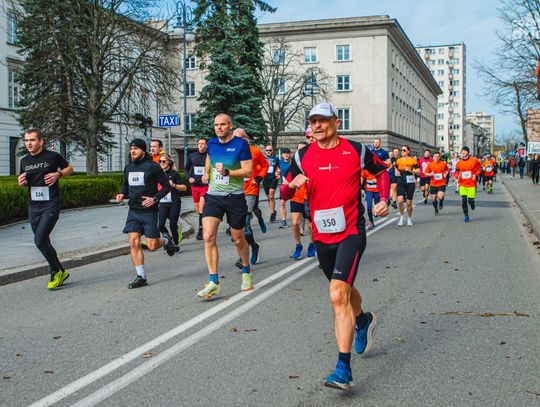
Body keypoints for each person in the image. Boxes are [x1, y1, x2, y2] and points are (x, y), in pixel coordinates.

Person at [280, 102, 389, 390]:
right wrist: (292, 185)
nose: (316, 126)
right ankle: (362, 319)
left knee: (337, 294)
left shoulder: (356, 150)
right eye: (312, 121)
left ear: (336, 122)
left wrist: (383, 199)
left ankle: (343, 368)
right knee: (343, 290)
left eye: (322, 120)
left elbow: (382, 172)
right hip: (322, 236)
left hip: (351, 232)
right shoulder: (303, 155)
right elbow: (283, 191)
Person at [197, 114, 253, 299]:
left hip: (235, 197)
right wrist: (207, 173)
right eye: (216, 125)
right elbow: (209, 159)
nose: (219, 127)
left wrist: (228, 172)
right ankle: (213, 281)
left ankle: (246, 270)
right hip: (214, 196)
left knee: (238, 239)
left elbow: (248, 171)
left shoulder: (240, 144)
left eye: (222, 124)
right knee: (208, 236)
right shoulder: (212, 144)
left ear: (230, 126)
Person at [18, 128, 74, 290]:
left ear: (41, 141)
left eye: (32, 140)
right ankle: (61, 271)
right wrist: (22, 183)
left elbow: (70, 168)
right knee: (44, 241)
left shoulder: (52, 156)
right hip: (33, 206)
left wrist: (58, 174)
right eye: (26, 140)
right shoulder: (24, 161)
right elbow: (24, 181)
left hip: (50, 204)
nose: (29, 143)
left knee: (39, 240)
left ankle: (54, 271)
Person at [116, 139, 176, 289]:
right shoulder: (128, 167)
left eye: (136, 149)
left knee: (152, 245)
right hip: (133, 211)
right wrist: (121, 193)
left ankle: (166, 240)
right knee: (133, 242)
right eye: (131, 149)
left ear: (143, 151)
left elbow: (166, 186)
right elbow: (125, 185)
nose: (132, 151)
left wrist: (155, 199)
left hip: (149, 211)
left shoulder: (153, 167)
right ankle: (141, 276)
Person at [233, 128, 268, 267]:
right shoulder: (231, 151)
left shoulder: (255, 151)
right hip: (235, 191)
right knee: (237, 227)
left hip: (250, 190)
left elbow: (265, 165)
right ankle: (254, 245)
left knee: (246, 222)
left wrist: (259, 178)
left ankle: (242, 258)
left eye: (239, 138)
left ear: (245, 138)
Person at [285, 142, 316, 259]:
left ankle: (312, 244)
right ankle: (298, 245)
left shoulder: (312, 164)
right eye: (299, 150)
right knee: (294, 223)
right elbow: (286, 183)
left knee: (310, 225)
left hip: (309, 197)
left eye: (304, 150)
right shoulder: (293, 167)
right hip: (296, 197)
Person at [158, 153, 187, 252]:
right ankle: (167, 237)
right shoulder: (157, 174)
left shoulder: (174, 174)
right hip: (163, 203)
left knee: (173, 225)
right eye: (160, 161)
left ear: (169, 163)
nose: (161, 163)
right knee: (160, 225)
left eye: (163, 161)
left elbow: (184, 187)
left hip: (174, 203)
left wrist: (174, 185)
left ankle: (175, 245)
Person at [185, 138, 209, 240]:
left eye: (203, 144)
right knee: (198, 211)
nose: (201, 145)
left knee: (202, 207)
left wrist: (208, 177)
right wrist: (189, 177)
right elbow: (186, 169)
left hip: (204, 185)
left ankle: (200, 231)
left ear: (206, 145)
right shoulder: (192, 156)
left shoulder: (209, 156)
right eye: (199, 143)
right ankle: (203, 225)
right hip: (194, 186)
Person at [455, 146, 482, 223]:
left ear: (468, 152)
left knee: (470, 200)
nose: (463, 152)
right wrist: (456, 178)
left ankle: (472, 203)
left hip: (471, 184)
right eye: (462, 151)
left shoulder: (474, 160)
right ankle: (466, 216)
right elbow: (457, 172)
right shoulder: (459, 163)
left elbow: (479, 169)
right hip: (462, 184)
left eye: (465, 151)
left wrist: (475, 175)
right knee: (464, 200)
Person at [395, 145, 419, 226]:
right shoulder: (398, 160)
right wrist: (396, 171)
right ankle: (402, 217)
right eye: (401, 150)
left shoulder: (412, 160)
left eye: (404, 150)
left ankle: (409, 218)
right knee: (400, 201)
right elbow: (395, 168)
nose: (402, 151)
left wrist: (410, 170)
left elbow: (418, 170)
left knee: (409, 203)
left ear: (408, 151)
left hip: (410, 181)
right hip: (400, 180)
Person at [424, 152, 448, 216]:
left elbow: (447, 170)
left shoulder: (443, 163)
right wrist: (430, 174)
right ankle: (436, 210)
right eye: (435, 156)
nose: (437, 157)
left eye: (438, 156)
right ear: (433, 157)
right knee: (434, 198)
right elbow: (425, 173)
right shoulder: (430, 165)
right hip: (433, 184)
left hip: (441, 183)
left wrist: (445, 174)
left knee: (440, 196)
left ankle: (441, 202)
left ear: (439, 157)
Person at [262, 144, 280, 222]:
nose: (268, 151)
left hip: (273, 179)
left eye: (270, 150)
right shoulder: (262, 158)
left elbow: (279, 168)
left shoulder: (276, 159)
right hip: (265, 179)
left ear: (272, 151)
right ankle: (273, 211)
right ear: (265, 151)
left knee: (271, 196)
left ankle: (272, 213)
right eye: (267, 150)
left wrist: (278, 172)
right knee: (269, 197)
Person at [277, 148, 292, 228]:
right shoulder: (280, 162)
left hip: (293, 185)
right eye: (284, 153)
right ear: (282, 155)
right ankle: (284, 221)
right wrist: (277, 173)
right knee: (282, 203)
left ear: (290, 154)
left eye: (287, 153)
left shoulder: (292, 162)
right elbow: (278, 170)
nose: (286, 154)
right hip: (284, 186)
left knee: (297, 204)